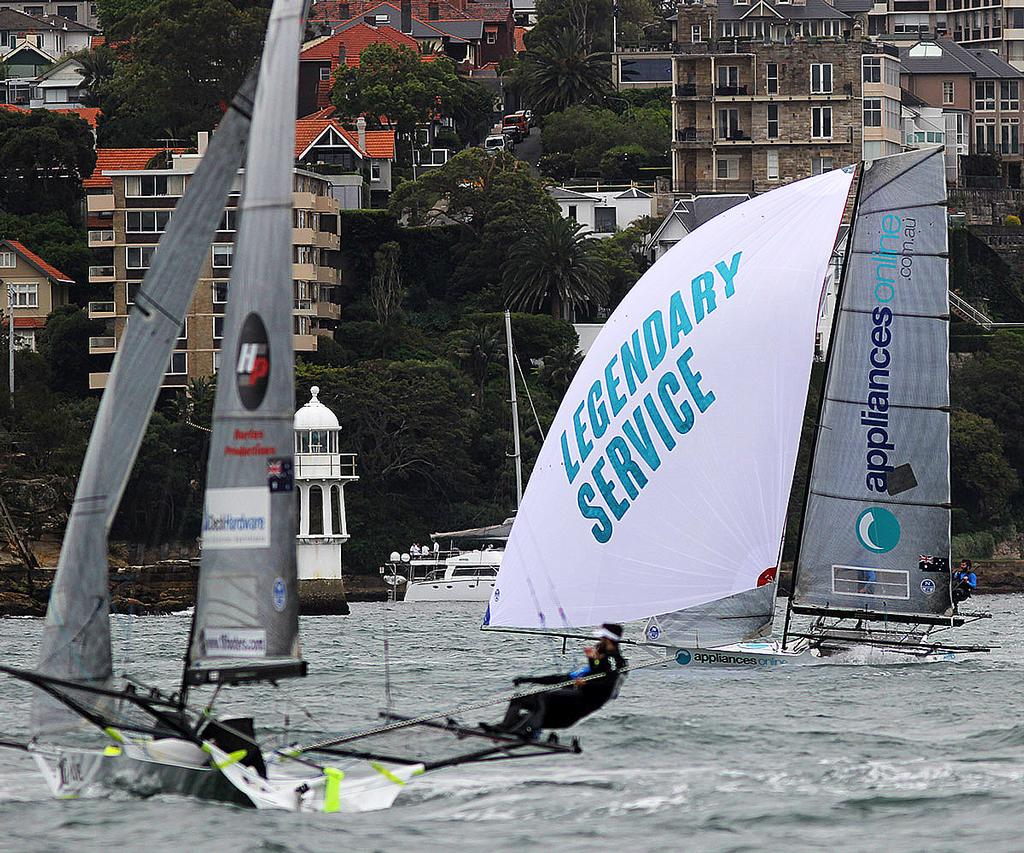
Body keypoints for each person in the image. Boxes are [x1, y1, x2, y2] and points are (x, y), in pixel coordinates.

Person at [485, 624, 626, 738]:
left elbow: (608, 683)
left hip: (584, 703)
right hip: (567, 704)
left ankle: (526, 730)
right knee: (519, 699)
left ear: (607, 639)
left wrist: (586, 680)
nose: (597, 643)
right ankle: (505, 727)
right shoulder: (598, 662)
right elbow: (563, 679)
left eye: (601, 639)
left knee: (543, 697)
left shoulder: (614, 659)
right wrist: (528, 679)